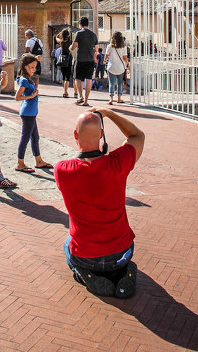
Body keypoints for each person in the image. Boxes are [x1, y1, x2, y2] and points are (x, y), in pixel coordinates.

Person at [54, 108, 145, 297]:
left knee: (67, 244)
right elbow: (137, 135)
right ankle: (121, 272)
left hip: (86, 256)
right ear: (102, 135)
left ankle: (85, 273)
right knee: (117, 257)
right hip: (122, 252)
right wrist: (109, 114)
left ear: (75, 135)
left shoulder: (62, 170)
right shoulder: (118, 163)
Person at [14, 53, 53, 172]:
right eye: (31, 67)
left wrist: (36, 59)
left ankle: (39, 160)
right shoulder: (24, 80)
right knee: (25, 137)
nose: (34, 69)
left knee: (35, 137)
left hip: (31, 112)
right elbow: (17, 97)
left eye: (35, 67)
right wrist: (31, 96)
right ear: (25, 67)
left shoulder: (26, 78)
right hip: (28, 113)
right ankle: (20, 163)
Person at [70, 16, 98, 107]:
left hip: (80, 59)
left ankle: (80, 96)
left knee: (78, 78)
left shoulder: (79, 33)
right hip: (90, 60)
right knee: (89, 79)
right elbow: (96, 49)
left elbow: (73, 47)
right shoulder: (93, 35)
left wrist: (72, 47)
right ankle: (86, 100)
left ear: (80, 24)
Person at [104, 31, 130, 104]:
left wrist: (104, 61)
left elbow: (106, 55)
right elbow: (125, 57)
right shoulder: (124, 46)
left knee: (111, 83)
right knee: (120, 83)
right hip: (120, 67)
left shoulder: (110, 46)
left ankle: (111, 99)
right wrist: (128, 64)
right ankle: (119, 98)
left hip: (111, 67)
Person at [56, 27, 75, 97]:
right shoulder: (70, 42)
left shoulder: (61, 42)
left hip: (62, 59)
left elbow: (56, 37)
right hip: (69, 59)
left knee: (63, 76)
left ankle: (64, 91)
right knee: (67, 77)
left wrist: (60, 33)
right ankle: (65, 91)